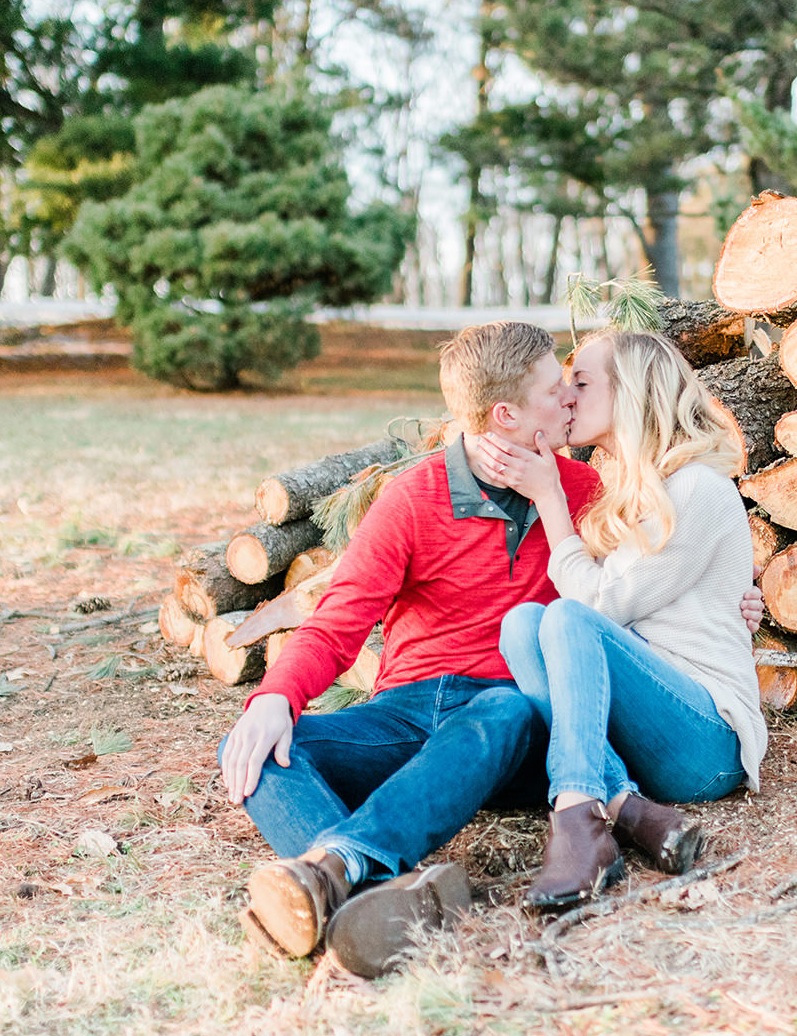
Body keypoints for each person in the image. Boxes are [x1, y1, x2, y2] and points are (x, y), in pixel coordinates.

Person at [217, 320, 604, 977]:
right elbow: (340, 620)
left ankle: (339, 867)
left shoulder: (583, 493)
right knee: (256, 743)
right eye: (554, 386)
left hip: (508, 725)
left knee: (506, 710)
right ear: (505, 414)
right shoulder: (412, 499)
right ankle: (375, 899)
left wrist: (741, 598)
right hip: (407, 711)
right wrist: (276, 696)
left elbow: (631, 597)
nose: (570, 395)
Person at [468, 329, 766, 909]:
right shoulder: (639, 488)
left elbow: (596, 608)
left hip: (708, 742)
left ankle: (577, 815)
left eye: (581, 382)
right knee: (523, 625)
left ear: (632, 392)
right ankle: (626, 808)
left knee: (564, 619)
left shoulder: (696, 488)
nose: (569, 397)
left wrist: (549, 499)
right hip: (656, 726)